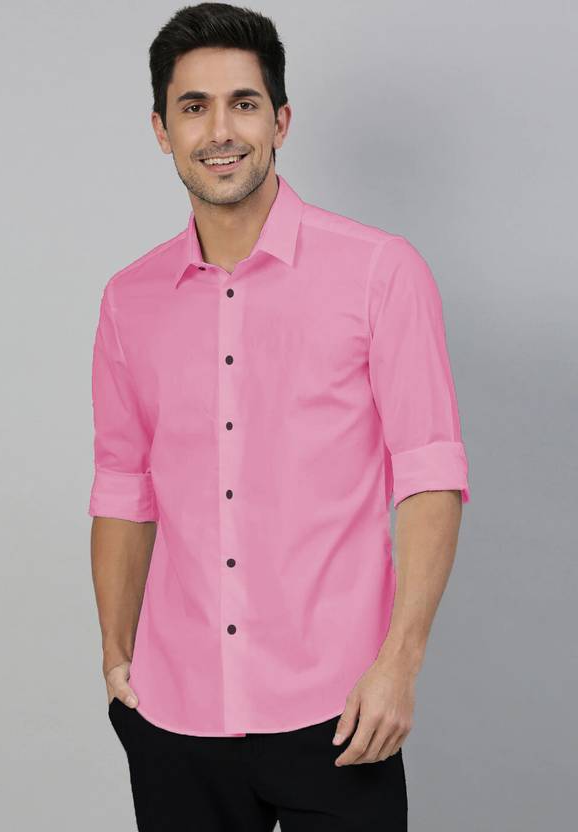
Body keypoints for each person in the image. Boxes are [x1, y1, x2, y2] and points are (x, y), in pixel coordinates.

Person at [88, 3, 471, 830]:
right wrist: (117, 656)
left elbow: (430, 473)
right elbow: (123, 484)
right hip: (174, 716)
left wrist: (400, 664)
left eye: (244, 103)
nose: (220, 130)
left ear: (281, 121)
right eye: (194, 107)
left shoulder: (380, 272)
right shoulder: (128, 300)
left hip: (339, 709)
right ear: (161, 130)